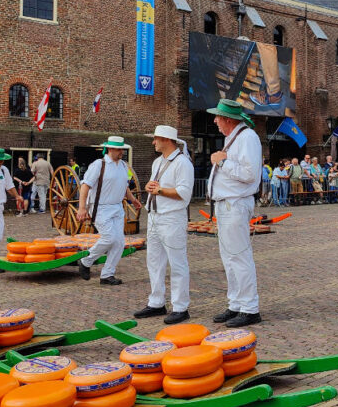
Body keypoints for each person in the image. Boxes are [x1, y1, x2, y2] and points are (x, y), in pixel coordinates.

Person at [205, 99, 263, 328]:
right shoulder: (235, 138)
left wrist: (222, 162)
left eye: (217, 117)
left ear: (228, 119)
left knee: (238, 256)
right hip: (227, 204)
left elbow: (249, 174)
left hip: (235, 204)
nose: (215, 120)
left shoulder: (247, 137)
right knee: (230, 257)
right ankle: (237, 303)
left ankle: (250, 308)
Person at [135, 125, 194, 325]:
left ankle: (180, 307)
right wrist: (149, 187)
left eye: (156, 139)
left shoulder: (183, 163)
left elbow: (184, 193)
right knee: (154, 261)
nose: (153, 142)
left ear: (166, 140)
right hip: (154, 216)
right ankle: (156, 301)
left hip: (172, 217)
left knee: (177, 262)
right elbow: (155, 185)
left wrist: (159, 191)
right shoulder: (158, 162)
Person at [77, 137, 142, 286]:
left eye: (122, 149)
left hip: (117, 207)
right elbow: (85, 186)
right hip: (100, 207)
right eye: (119, 149)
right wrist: (82, 208)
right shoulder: (99, 165)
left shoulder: (124, 166)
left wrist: (132, 199)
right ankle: (86, 261)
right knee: (110, 238)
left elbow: (124, 185)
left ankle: (107, 274)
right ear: (110, 149)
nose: (122, 152)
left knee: (119, 242)